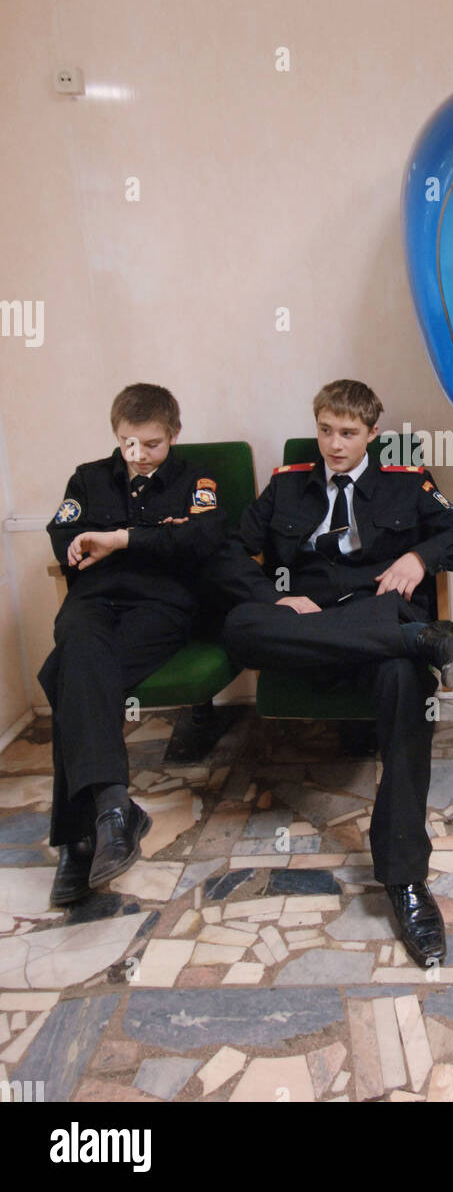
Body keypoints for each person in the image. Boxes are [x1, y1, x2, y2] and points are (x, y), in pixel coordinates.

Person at [203, 379, 453, 966]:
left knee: (405, 685)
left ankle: (406, 880)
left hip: (375, 620)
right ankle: (418, 640)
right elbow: (230, 553)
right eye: (327, 431)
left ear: (373, 436)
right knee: (240, 625)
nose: (336, 445)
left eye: (349, 434)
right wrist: (275, 599)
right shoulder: (287, 488)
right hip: (306, 630)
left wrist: (419, 557)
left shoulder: (407, 484)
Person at [39, 383, 228, 906]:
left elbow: (203, 538)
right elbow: (65, 537)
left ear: (174, 434)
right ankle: (115, 809)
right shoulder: (88, 477)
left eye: (151, 444)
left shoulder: (196, 479)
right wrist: (154, 535)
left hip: (161, 607)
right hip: (94, 603)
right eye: (128, 443)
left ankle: (78, 844)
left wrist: (119, 538)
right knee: (77, 640)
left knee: (68, 678)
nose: (139, 455)